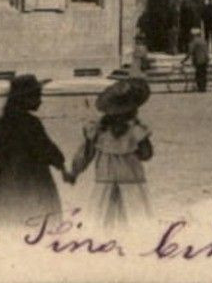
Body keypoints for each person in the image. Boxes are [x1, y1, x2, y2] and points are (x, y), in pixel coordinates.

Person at [65, 76, 154, 229]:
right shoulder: (136, 131)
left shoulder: (97, 132)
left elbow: (86, 154)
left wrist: (74, 172)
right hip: (131, 181)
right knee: (135, 221)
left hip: (104, 182)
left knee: (102, 222)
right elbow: (147, 154)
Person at [0, 74, 66, 230]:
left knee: (9, 221)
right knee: (39, 219)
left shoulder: (3, 121)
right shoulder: (31, 123)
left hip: (6, 182)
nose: (40, 100)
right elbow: (47, 149)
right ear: (25, 99)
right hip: (33, 181)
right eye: (37, 96)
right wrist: (60, 163)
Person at [187, 27, 210, 93]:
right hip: (205, 60)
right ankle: (203, 88)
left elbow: (190, 52)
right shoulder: (203, 41)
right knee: (204, 74)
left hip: (198, 61)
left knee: (198, 74)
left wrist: (184, 60)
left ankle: (200, 88)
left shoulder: (194, 41)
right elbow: (206, 51)